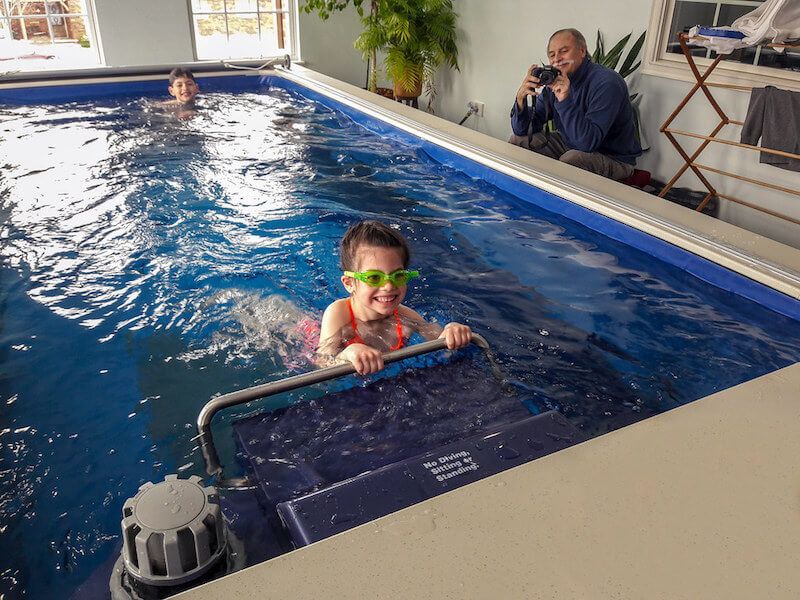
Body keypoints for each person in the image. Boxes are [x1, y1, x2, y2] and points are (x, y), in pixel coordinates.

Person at [318, 220, 472, 375]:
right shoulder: (338, 313)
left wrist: (452, 331)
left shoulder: (405, 316)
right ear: (349, 283)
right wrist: (346, 354)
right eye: (374, 278)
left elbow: (440, 340)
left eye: (398, 276)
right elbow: (322, 362)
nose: (389, 286)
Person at [509, 28, 642, 181]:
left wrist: (564, 100)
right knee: (518, 141)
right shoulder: (556, 80)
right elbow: (522, 130)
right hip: (571, 144)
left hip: (613, 157)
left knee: (572, 160)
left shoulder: (607, 83)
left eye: (564, 51)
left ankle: (552, 203)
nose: (557, 59)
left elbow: (587, 143)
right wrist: (521, 100)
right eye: (552, 55)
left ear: (582, 51)